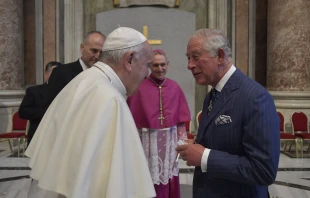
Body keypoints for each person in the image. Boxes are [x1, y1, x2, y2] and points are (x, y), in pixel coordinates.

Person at [25, 27, 156, 198]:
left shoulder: (85, 80)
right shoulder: (109, 98)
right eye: (147, 65)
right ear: (129, 59)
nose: (147, 74)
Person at [176, 28, 280, 197]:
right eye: (188, 58)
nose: (189, 65)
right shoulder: (211, 95)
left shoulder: (255, 97)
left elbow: (263, 170)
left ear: (220, 56)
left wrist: (205, 157)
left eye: (195, 57)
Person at [127, 49, 191, 198]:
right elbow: (132, 122)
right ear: (150, 66)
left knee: (168, 177)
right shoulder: (139, 88)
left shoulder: (175, 87)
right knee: (148, 176)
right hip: (148, 142)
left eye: (162, 64)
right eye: (155, 65)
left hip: (169, 142)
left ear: (167, 65)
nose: (159, 69)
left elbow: (181, 121)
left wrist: (182, 142)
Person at [44, 31, 106, 111]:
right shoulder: (61, 72)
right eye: (94, 51)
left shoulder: (105, 75)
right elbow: (50, 107)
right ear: (82, 48)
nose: (97, 56)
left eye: (101, 52)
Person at [18, 61, 62, 146]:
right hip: (39, 137)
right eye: (54, 73)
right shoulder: (34, 91)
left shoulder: (69, 91)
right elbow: (23, 112)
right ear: (46, 74)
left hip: (61, 137)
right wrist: (46, 112)